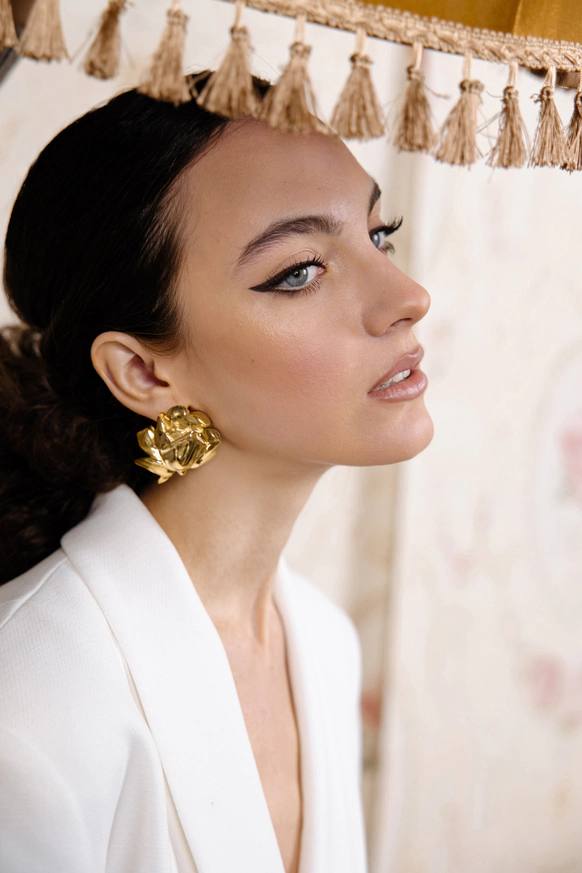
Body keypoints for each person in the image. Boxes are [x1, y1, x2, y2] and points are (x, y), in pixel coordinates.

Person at [0, 71, 432, 873]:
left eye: (380, 235)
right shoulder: (27, 711)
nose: (408, 296)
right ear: (144, 372)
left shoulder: (324, 645)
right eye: (300, 270)